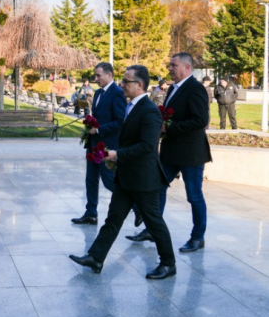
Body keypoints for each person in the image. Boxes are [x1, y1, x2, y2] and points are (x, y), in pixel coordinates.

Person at [69, 65, 176, 280]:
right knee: (113, 219)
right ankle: (96, 257)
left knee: (154, 222)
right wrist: (116, 158)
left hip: (144, 179)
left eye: (126, 81)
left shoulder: (150, 111)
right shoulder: (131, 106)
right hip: (127, 177)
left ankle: (168, 263)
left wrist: (116, 154)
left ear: (139, 85)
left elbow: (148, 146)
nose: (122, 85)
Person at [127, 53, 211, 253]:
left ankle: (198, 237)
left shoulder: (196, 88)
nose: (170, 69)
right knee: (157, 188)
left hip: (191, 153)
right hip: (171, 151)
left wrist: (169, 128)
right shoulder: (173, 87)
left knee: (194, 196)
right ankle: (153, 229)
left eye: (173, 65)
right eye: (170, 65)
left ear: (187, 67)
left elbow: (201, 121)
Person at [71, 62, 142, 226]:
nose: (95, 79)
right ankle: (91, 213)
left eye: (98, 75)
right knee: (91, 180)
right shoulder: (98, 93)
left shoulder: (117, 93)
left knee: (109, 181)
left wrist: (98, 130)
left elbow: (119, 121)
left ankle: (137, 207)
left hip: (107, 145)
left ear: (109, 75)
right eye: (95, 75)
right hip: (93, 144)